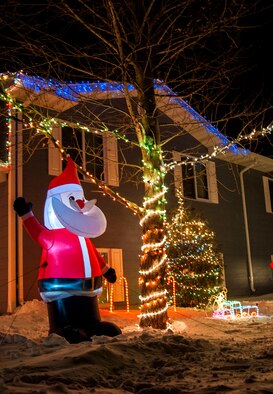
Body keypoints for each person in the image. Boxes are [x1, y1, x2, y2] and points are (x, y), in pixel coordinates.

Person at [14, 157, 121, 343]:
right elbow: (37, 233)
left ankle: (93, 326)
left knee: (88, 308)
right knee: (66, 310)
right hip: (62, 286)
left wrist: (105, 270)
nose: (80, 204)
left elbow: (93, 254)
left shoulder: (83, 234)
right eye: (72, 198)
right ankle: (62, 328)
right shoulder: (54, 236)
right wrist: (26, 215)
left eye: (81, 198)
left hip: (88, 286)